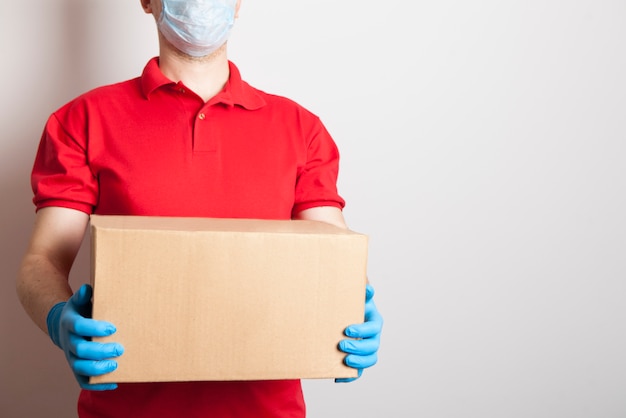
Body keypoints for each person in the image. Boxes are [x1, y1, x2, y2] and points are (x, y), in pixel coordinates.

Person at [16, 0, 383, 417]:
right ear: (147, 1)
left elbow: (331, 255)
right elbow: (42, 259)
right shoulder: (82, 120)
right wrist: (58, 319)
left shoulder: (301, 129)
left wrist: (354, 303)